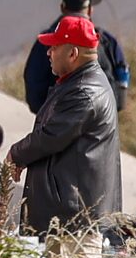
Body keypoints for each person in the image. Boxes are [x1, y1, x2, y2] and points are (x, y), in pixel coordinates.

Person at [9, 15, 123, 237]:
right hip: (68, 222)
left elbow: (49, 137)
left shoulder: (85, 91)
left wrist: (16, 154)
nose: (49, 53)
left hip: (75, 225)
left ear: (72, 54)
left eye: (54, 47)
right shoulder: (78, 83)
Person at [23, 0, 130, 112]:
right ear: (90, 10)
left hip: (56, 125)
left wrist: (51, 115)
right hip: (100, 124)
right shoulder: (107, 42)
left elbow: (33, 87)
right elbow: (121, 94)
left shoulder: (45, 41)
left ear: (62, 7)